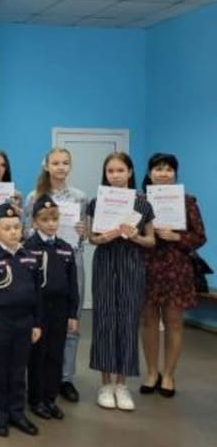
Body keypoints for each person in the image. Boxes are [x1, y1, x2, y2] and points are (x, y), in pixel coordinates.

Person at [87, 152, 155, 411]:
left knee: (128, 320)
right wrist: (101, 238)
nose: (115, 175)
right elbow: (92, 237)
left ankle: (122, 384)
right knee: (104, 318)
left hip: (131, 264)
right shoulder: (96, 202)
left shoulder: (143, 204)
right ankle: (105, 385)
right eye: (110, 171)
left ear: (130, 172)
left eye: (120, 170)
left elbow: (151, 241)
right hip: (105, 263)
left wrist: (135, 236)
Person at [24, 148, 87, 403]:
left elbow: (85, 233)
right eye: (56, 163)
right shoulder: (34, 196)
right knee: (40, 324)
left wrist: (83, 231)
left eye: (65, 163)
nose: (61, 167)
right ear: (47, 165)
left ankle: (65, 378)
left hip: (70, 257)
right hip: (41, 258)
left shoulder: (80, 197)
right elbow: (25, 230)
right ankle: (38, 381)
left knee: (70, 323)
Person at [140, 153, 206, 398]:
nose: (163, 173)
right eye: (158, 168)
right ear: (150, 174)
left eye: (169, 169)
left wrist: (176, 236)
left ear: (175, 174)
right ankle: (151, 372)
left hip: (176, 268)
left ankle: (168, 375)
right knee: (148, 321)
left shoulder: (187, 201)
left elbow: (200, 236)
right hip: (146, 266)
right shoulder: (139, 201)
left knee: (174, 322)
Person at [0, 203, 42, 437]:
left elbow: (37, 294)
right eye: (7, 228)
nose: (13, 232)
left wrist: (36, 323)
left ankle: (17, 412)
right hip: (0, 323)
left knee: (18, 370)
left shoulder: (29, 258)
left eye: (16, 227)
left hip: (24, 321)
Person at [23, 195, 79, 421]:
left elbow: (73, 284)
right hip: (38, 310)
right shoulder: (29, 248)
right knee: (38, 355)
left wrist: (73, 313)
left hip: (60, 310)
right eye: (45, 220)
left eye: (54, 219)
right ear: (35, 222)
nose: (50, 224)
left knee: (55, 355)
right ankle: (36, 399)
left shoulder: (65, 248)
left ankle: (50, 398)